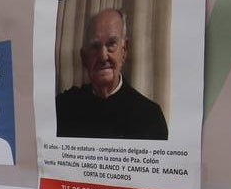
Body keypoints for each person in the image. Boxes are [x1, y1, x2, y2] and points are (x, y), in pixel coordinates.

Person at [55, 8, 168, 139]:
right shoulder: (64, 107)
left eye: (111, 44)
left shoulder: (150, 117)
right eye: (95, 46)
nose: (103, 56)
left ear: (124, 50)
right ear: (84, 57)